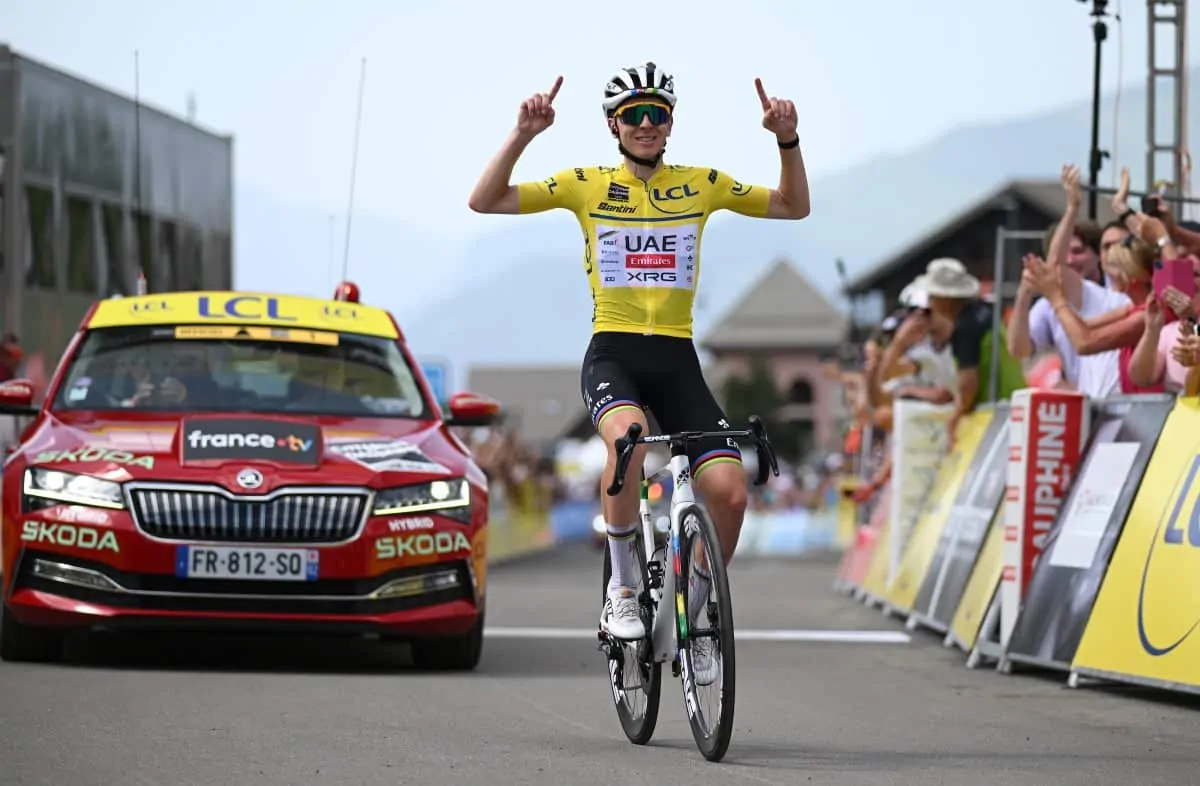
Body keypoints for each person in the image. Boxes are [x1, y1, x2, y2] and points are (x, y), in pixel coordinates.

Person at [468, 62, 811, 668]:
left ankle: (695, 615)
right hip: (614, 354)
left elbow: (792, 206)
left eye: (657, 113)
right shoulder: (585, 183)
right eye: (634, 114)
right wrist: (524, 135)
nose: (646, 124)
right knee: (627, 441)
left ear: (671, 122)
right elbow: (485, 200)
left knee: (730, 494)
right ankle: (622, 587)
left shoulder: (702, 183)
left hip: (678, 358)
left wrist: (786, 139)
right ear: (613, 124)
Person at [1007, 165, 1130, 397]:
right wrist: (1024, 295)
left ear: (1095, 257)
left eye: (1078, 251)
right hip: (1089, 405)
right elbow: (1018, 350)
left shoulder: (1130, 298)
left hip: (1133, 403)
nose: (1070, 260)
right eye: (1066, 252)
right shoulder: (1056, 302)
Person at [902, 258, 1026, 447]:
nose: (930, 301)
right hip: (1015, 404)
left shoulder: (965, 328)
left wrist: (956, 416)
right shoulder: (988, 312)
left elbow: (968, 385)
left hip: (996, 414)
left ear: (946, 298)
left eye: (933, 296)